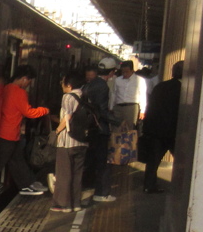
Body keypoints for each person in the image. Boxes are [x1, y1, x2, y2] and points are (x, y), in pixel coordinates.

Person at [0, 64, 49, 196]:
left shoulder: (6, 88)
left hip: (3, 132)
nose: (28, 84)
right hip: (9, 133)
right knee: (2, 162)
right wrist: (45, 110)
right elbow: (28, 112)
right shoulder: (19, 92)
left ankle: (27, 183)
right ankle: (25, 185)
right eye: (29, 81)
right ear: (24, 79)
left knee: (17, 160)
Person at [141, 60, 183, 194]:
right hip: (173, 131)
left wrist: (147, 127)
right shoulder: (184, 90)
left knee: (153, 161)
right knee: (182, 160)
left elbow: (150, 106)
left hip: (156, 130)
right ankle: (182, 186)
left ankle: (149, 185)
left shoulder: (160, 86)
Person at [81, 58, 119, 202]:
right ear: (111, 72)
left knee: (89, 159)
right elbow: (102, 111)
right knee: (103, 161)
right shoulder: (103, 86)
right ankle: (101, 193)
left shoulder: (89, 84)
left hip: (89, 127)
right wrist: (118, 121)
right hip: (99, 129)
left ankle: (86, 185)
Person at [51, 73, 88, 212]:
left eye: (63, 83)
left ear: (69, 85)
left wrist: (57, 131)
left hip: (68, 141)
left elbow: (67, 118)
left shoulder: (68, 97)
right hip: (83, 141)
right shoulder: (85, 95)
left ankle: (63, 205)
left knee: (64, 174)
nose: (62, 85)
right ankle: (76, 204)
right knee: (77, 174)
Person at [112, 60, 147, 130]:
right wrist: (111, 106)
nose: (124, 74)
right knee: (116, 128)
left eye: (127, 72)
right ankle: (117, 141)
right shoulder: (117, 80)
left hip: (132, 107)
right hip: (118, 106)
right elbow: (114, 93)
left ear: (132, 70)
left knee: (129, 128)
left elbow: (142, 95)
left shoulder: (140, 80)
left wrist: (142, 110)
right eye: (123, 72)